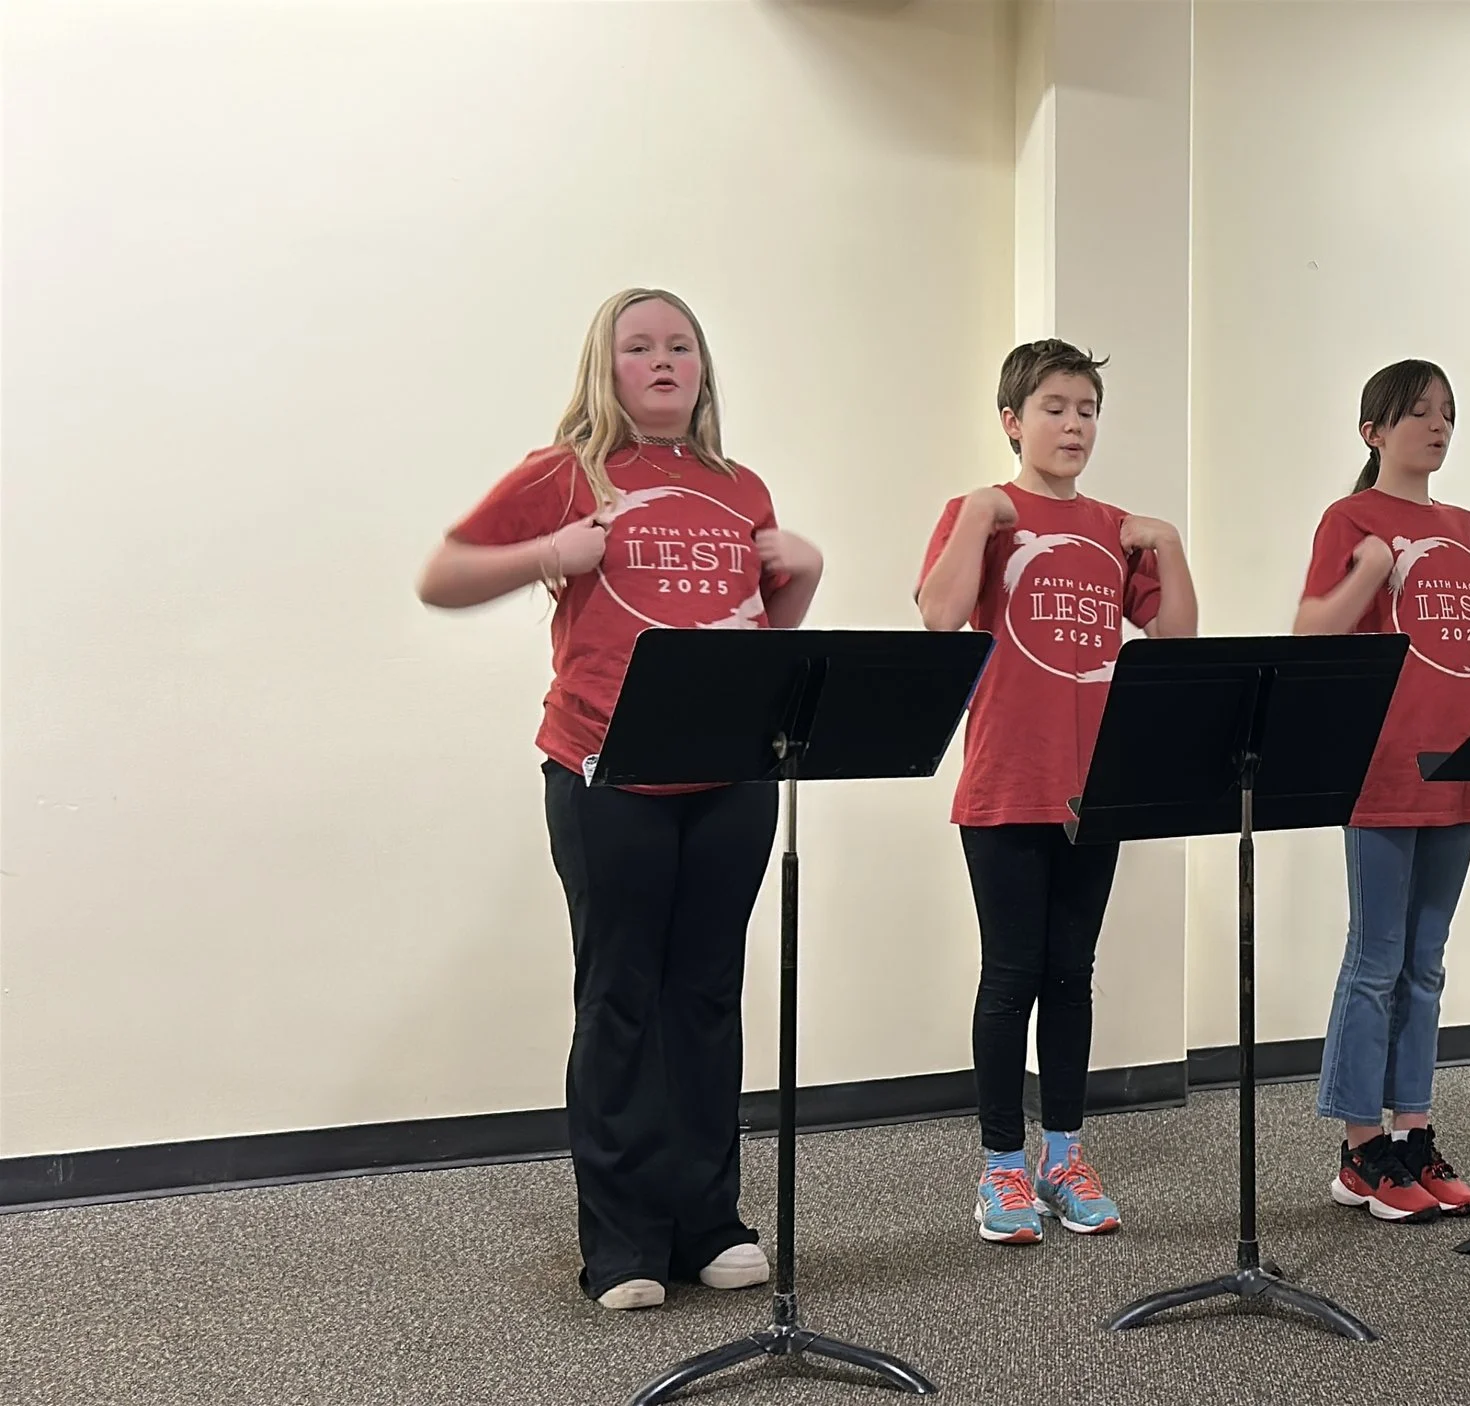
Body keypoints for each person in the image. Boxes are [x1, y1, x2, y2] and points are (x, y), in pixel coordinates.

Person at [418, 288, 825, 1308]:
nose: (663, 361)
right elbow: (442, 574)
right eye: (639, 347)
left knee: (706, 998)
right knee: (620, 1000)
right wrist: (548, 556)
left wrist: (805, 576)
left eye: (680, 346)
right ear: (606, 368)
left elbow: (758, 645)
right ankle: (624, 1240)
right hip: (606, 771)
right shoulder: (567, 472)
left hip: (728, 776)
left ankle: (709, 1222)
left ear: (703, 367)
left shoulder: (740, 486)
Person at [916, 338, 1198, 1244]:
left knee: (1072, 975)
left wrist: (1170, 545)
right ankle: (1001, 1168)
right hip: (1006, 781)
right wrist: (978, 514)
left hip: (1094, 788)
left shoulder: (1115, 529)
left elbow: (1177, 641)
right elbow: (939, 615)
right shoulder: (982, 515)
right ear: (1012, 421)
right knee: (1011, 977)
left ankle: (1064, 1158)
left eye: (1088, 410)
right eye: (1055, 408)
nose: (1075, 425)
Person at [1295, 359, 1470, 1222]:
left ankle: (1413, 1133)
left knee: (1426, 962)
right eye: (1418, 413)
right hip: (1385, 767)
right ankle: (1361, 1149)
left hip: (1463, 760)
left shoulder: (1465, 527)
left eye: (1447, 414)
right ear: (1374, 432)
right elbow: (1309, 632)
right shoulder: (1351, 518)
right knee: (1376, 961)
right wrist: (1368, 572)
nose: (1437, 427)